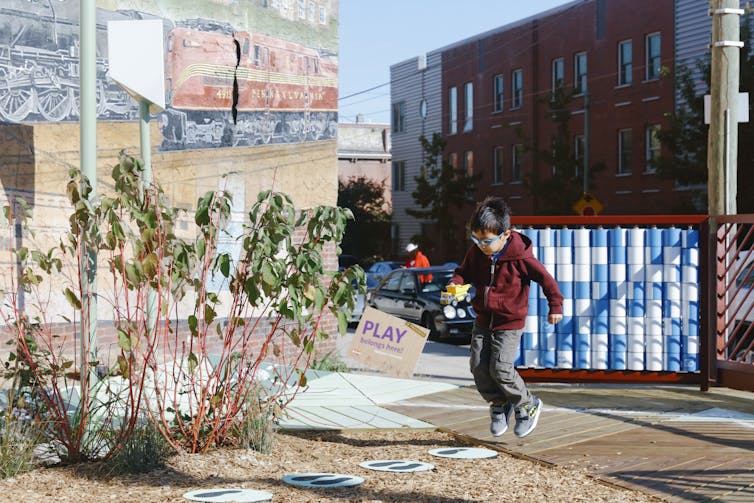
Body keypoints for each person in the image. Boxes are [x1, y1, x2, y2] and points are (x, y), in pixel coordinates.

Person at [448, 196, 563, 438]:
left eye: (487, 240)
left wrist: (555, 306)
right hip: (483, 319)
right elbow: (462, 273)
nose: (481, 245)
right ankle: (499, 404)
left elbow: (547, 280)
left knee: (500, 368)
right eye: (476, 239)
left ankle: (527, 405)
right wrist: (454, 286)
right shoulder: (476, 253)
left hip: (509, 323)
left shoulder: (522, 258)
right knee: (478, 366)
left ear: (505, 235)